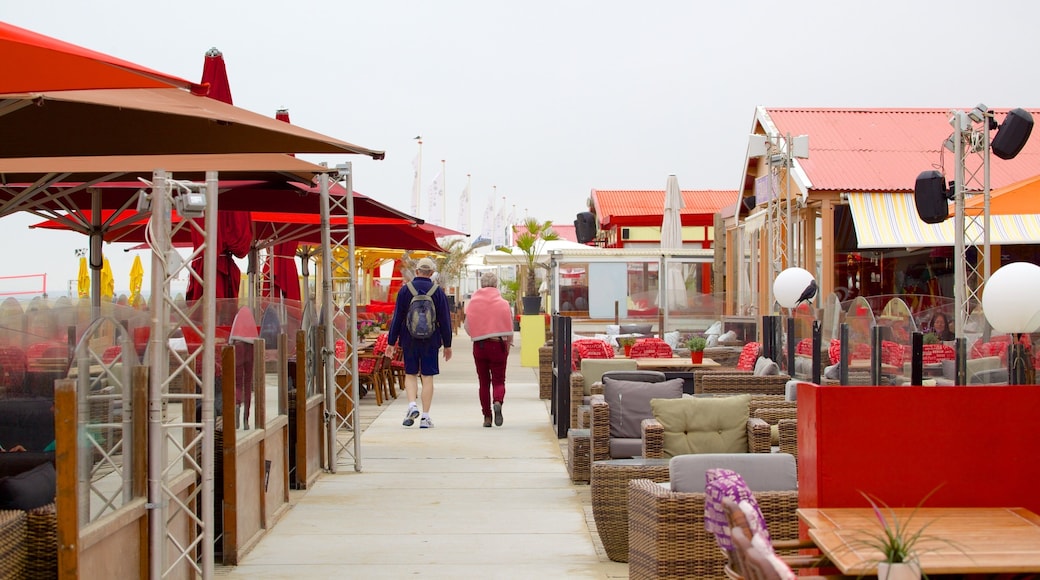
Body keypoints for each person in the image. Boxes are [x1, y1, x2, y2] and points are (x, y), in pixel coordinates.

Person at [386, 257, 453, 428]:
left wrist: (391, 342)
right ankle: (425, 417)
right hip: (431, 340)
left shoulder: (405, 291)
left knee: (410, 374)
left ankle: (411, 405)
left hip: (409, 339)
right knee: (427, 376)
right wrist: (447, 344)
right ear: (431, 274)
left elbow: (397, 318)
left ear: (416, 272)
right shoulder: (437, 292)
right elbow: (445, 320)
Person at [464, 271, 515, 427]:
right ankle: (498, 401)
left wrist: (478, 333)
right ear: (496, 285)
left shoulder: (473, 303)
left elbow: (467, 326)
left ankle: (487, 417)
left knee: (483, 382)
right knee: (499, 380)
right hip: (498, 344)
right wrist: (507, 345)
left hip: (479, 345)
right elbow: (510, 328)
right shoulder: (503, 303)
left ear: (481, 285)